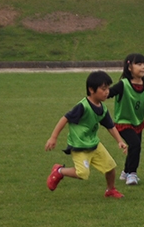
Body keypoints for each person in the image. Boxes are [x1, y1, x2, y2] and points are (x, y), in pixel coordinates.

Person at [45, 70, 128, 198]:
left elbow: (110, 126)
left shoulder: (102, 108)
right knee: (82, 174)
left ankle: (110, 190)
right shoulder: (83, 106)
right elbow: (65, 118)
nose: (107, 92)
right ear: (91, 89)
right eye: (103, 89)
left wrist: (120, 141)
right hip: (79, 146)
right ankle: (59, 171)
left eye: (108, 89)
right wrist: (53, 137)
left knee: (110, 167)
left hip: (94, 144)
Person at [108, 53, 144, 186]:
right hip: (123, 122)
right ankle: (132, 174)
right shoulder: (123, 84)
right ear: (129, 67)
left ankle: (126, 171)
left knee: (135, 147)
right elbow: (109, 93)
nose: (143, 67)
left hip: (138, 122)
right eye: (139, 64)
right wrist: (98, 95)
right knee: (135, 145)